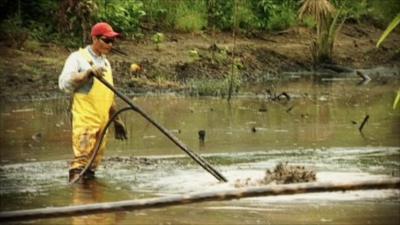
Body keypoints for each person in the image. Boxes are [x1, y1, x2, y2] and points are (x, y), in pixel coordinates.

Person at [59, 22, 128, 182]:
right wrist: (87, 74)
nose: (110, 45)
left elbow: (109, 94)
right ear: (94, 38)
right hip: (85, 122)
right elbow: (64, 82)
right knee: (80, 164)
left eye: (112, 41)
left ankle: (91, 201)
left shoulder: (106, 63)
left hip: (102, 124)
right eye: (106, 40)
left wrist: (116, 120)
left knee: (92, 167)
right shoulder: (78, 58)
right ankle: (77, 198)